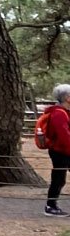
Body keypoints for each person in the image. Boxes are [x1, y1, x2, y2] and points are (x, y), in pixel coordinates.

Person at [40, 85, 70, 216]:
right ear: (67, 98)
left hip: (63, 150)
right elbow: (64, 136)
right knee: (58, 178)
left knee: (59, 178)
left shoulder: (64, 112)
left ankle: (51, 205)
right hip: (61, 151)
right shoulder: (58, 114)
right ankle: (50, 206)